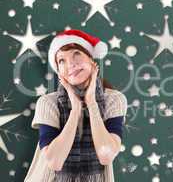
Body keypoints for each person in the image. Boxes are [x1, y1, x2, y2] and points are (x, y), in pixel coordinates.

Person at [24, 29, 127, 182]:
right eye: (61, 61)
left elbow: (106, 155)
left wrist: (91, 103)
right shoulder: (48, 103)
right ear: (59, 73)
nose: (70, 64)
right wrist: (76, 109)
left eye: (76, 54)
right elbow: (54, 161)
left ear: (92, 60)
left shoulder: (114, 99)